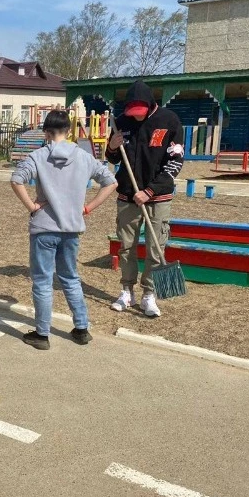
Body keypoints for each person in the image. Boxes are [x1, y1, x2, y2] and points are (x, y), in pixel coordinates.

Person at [11, 109, 117, 350]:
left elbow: (16, 180)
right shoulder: (84, 157)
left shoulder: (37, 156)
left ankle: (42, 333)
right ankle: (81, 328)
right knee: (70, 278)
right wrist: (87, 208)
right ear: (69, 131)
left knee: (42, 281)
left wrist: (33, 206)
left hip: (44, 228)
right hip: (71, 228)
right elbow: (111, 183)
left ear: (46, 133)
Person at [106, 80, 184, 318]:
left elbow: (175, 163)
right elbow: (114, 159)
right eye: (132, 113)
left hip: (158, 197)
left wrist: (149, 191)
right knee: (126, 247)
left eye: (140, 113)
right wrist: (111, 146)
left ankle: (149, 295)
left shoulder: (169, 121)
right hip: (127, 196)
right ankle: (126, 291)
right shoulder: (121, 122)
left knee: (155, 247)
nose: (136, 117)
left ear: (150, 105)